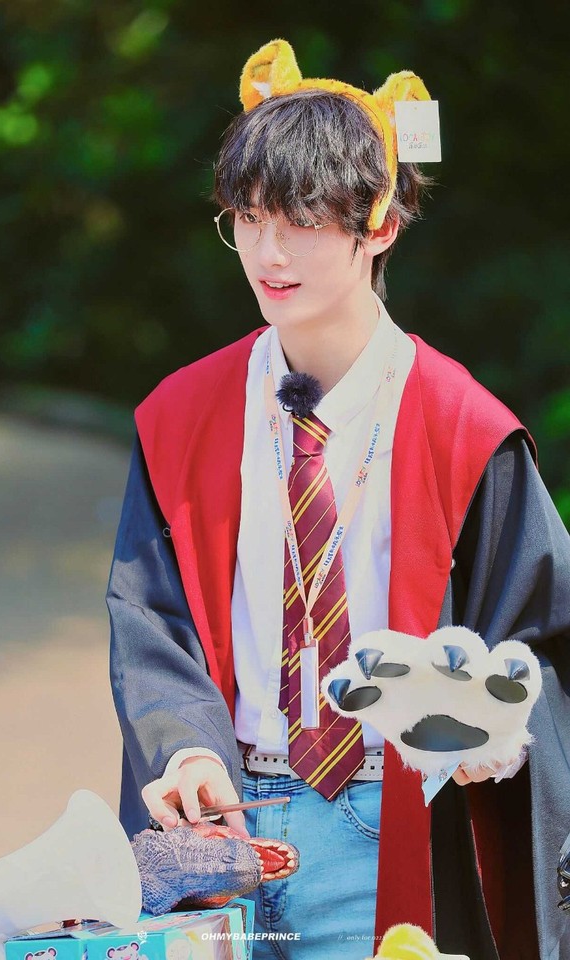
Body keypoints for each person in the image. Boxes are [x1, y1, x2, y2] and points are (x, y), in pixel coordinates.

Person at [108, 38, 570, 960]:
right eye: (247, 218)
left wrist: (491, 726)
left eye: (303, 221)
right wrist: (186, 747)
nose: (268, 253)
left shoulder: (463, 427)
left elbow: (542, 634)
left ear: (381, 225)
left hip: (386, 825)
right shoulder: (182, 416)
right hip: (220, 833)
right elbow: (148, 615)